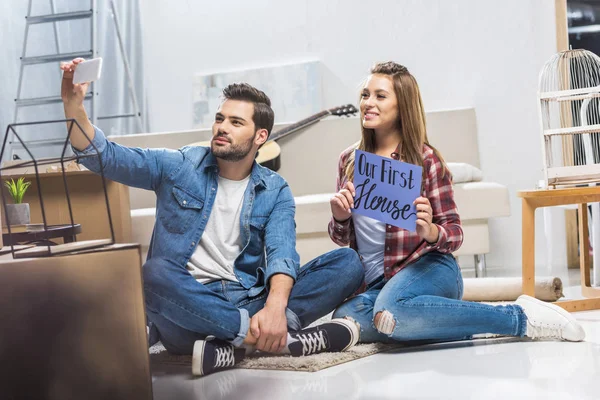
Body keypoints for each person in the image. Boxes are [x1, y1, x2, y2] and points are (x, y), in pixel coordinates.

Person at [60, 58, 364, 376]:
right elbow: (105, 157)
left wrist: (273, 308)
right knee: (154, 274)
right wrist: (74, 106)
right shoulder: (179, 166)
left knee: (348, 264)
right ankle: (262, 339)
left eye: (235, 122)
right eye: (220, 118)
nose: (222, 127)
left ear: (260, 136)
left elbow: (282, 253)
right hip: (188, 307)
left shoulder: (274, 189)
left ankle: (234, 346)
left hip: (248, 299)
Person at [330, 61, 585, 345]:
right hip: (377, 283)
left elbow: (455, 234)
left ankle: (521, 317)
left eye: (380, 96)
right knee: (345, 319)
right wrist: (340, 217)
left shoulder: (425, 160)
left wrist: (430, 231)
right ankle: (438, 322)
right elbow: (343, 240)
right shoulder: (349, 160)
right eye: (365, 94)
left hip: (430, 269)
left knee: (392, 312)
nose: (368, 103)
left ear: (402, 106)